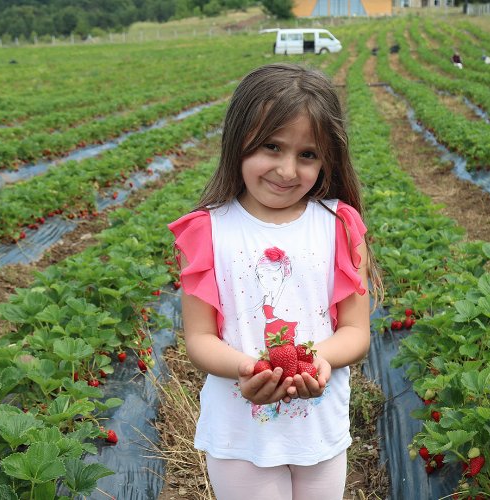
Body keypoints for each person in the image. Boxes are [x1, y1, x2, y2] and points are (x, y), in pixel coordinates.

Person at [168, 63, 383, 499]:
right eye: (271, 146)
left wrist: (315, 360)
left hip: (319, 430)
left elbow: (356, 331)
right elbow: (200, 338)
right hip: (239, 434)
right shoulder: (208, 231)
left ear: (328, 160)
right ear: (238, 140)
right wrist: (249, 369)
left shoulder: (339, 224)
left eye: (308, 154)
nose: (287, 170)